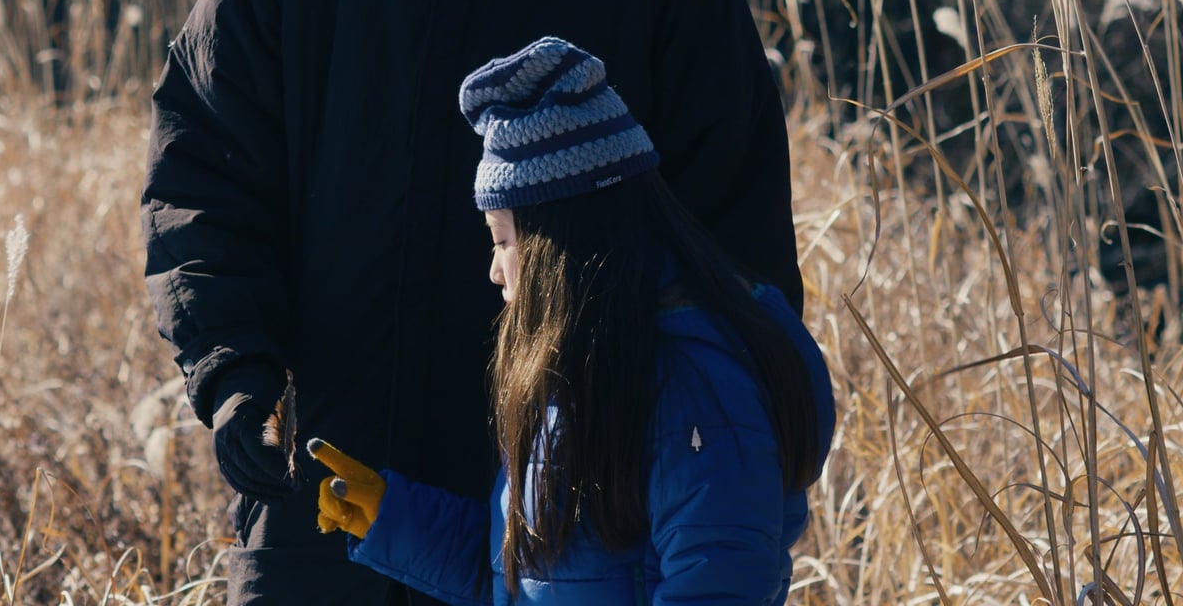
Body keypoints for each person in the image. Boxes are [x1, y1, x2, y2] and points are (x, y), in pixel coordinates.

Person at [140, 0, 803, 604]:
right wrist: (233, 369)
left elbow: (727, 224)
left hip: (573, 496)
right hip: (332, 486)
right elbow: (202, 175)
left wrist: (701, 435)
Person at [304, 36, 834, 605]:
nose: (494, 271)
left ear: (556, 248)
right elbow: (525, 580)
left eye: (503, 240)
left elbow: (721, 587)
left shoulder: (695, 389)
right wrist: (395, 520)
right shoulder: (582, 374)